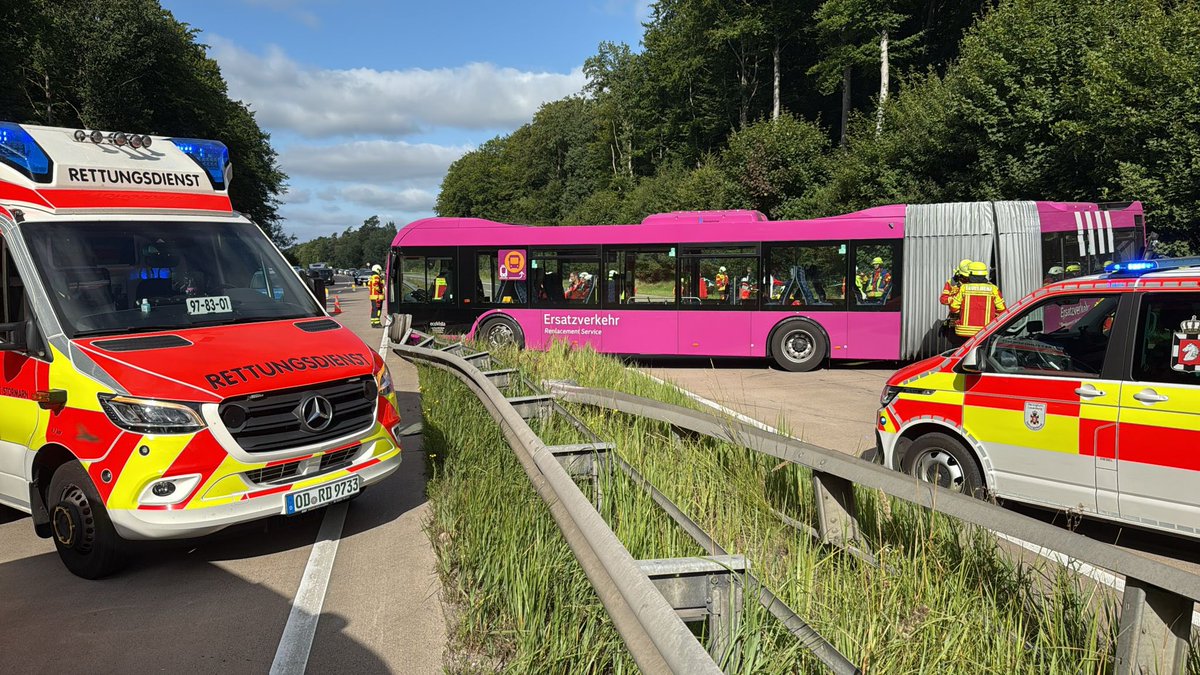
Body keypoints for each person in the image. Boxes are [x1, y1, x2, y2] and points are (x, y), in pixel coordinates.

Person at [949, 261, 1005, 344]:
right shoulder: (994, 289)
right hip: (985, 332)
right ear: (984, 274)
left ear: (970, 274)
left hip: (964, 332)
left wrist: (962, 313)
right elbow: (1002, 310)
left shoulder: (964, 288)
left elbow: (953, 307)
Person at [941, 259, 972, 339]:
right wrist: (956, 299)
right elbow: (943, 299)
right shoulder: (951, 283)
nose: (967, 279)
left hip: (970, 320)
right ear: (960, 274)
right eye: (965, 277)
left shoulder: (973, 284)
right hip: (955, 320)